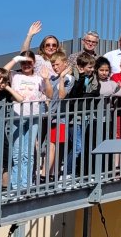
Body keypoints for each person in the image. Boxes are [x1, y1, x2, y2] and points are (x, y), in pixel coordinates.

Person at [4, 51, 52, 189]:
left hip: (34, 116)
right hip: (17, 116)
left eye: (29, 62)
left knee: (29, 152)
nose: (26, 65)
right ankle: (15, 184)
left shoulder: (38, 78)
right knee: (17, 151)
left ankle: (26, 183)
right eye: (23, 62)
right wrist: (16, 59)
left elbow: (49, 94)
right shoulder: (15, 75)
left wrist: (47, 79)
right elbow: (1, 72)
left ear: (34, 63)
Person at [42, 52, 75, 181]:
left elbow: (62, 95)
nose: (55, 67)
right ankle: (50, 174)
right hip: (49, 116)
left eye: (57, 65)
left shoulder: (69, 78)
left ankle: (45, 175)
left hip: (60, 117)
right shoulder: (52, 78)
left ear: (65, 64)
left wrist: (61, 78)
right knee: (48, 145)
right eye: (53, 65)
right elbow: (48, 95)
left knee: (53, 145)